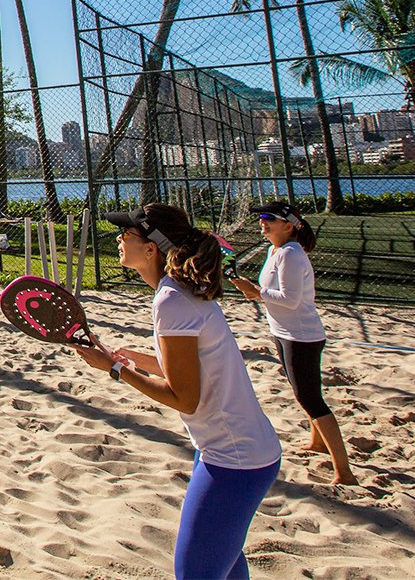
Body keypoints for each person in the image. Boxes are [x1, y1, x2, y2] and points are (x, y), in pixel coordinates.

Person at [72, 203, 281, 580]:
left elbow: (184, 397)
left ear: (151, 248)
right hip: (238, 449)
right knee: (226, 564)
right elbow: (192, 364)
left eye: (127, 234)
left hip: (235, 457)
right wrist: (131, 358)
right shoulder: (183, 289)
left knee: (196, 573)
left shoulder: (171, 299)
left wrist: (116, 369)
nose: (119, 239)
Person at [229, 200, 356, 485]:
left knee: (310, 398)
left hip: (302, 336)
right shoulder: (276, 250)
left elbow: (290, 299)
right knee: (304, 392)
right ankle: (318, 443)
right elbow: (271, 292)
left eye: (269, 218)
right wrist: (249, 288)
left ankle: (344, 471)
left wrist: (257, 292)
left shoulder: (291, 253)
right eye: (261, 218)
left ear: (288, 225)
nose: (262, 222)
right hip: (284, 332)